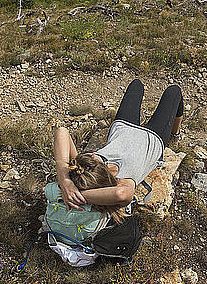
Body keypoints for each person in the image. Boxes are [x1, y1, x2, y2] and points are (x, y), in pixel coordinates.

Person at [53, 78, 184, 211]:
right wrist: (79, 196)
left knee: (136, 85)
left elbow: (62, 132)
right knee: (173, 92)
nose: (94, 155)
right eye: (96, 159)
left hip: (123, 126)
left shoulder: (85, 170)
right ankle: (175, 133)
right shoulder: (123, 180)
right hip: (154, 136)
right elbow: (121, 194)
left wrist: (65, 181)